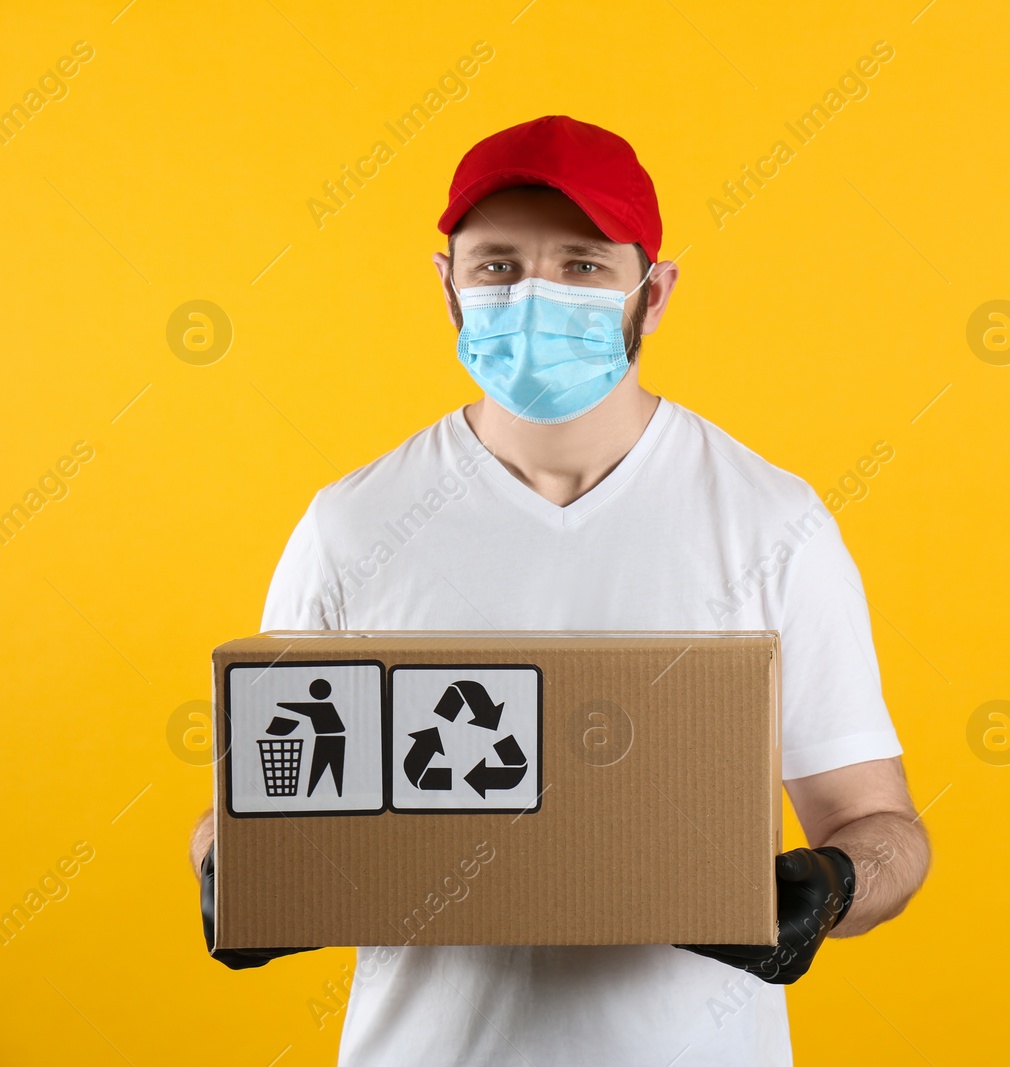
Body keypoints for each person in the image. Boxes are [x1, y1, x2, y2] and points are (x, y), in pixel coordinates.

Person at [188, 115, 930, 1065]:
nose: (535, 296)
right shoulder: (353, 526)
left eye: (582, 266)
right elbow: (250, 793)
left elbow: (883, 826)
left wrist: (828, 885)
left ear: (653, 294)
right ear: (447, 288)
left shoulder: (771, 522)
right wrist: (226, 867)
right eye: (497, 265)